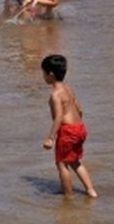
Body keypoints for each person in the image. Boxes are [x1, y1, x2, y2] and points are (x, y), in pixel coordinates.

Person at [41, 54, 98, 197]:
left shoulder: (56, 95)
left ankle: (68, 196)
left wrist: (51, 138)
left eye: (43, 73)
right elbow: (79, 108)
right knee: (74, 161)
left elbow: (59, 117)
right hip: (80, 128)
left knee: (61, 164)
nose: (43, 76)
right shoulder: (68, 88)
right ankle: (91, 191)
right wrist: (77, 127)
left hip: (68, 131)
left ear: (51, 74)